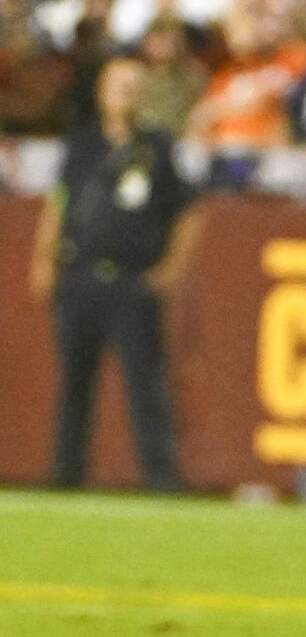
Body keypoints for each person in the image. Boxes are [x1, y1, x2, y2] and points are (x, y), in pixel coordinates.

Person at [33, 56, 193, 492]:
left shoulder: (157, 148)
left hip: (132, 279)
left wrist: (169, 269)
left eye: (131, 84)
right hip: (81, 276)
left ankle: (162, 480)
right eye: (116, 83)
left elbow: (187, 212)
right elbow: (59, 200)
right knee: (74, 383)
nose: (123, 92)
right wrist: (45, 257)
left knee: (146, 384)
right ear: (101, 91)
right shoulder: (82, 144)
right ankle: (66, 476)